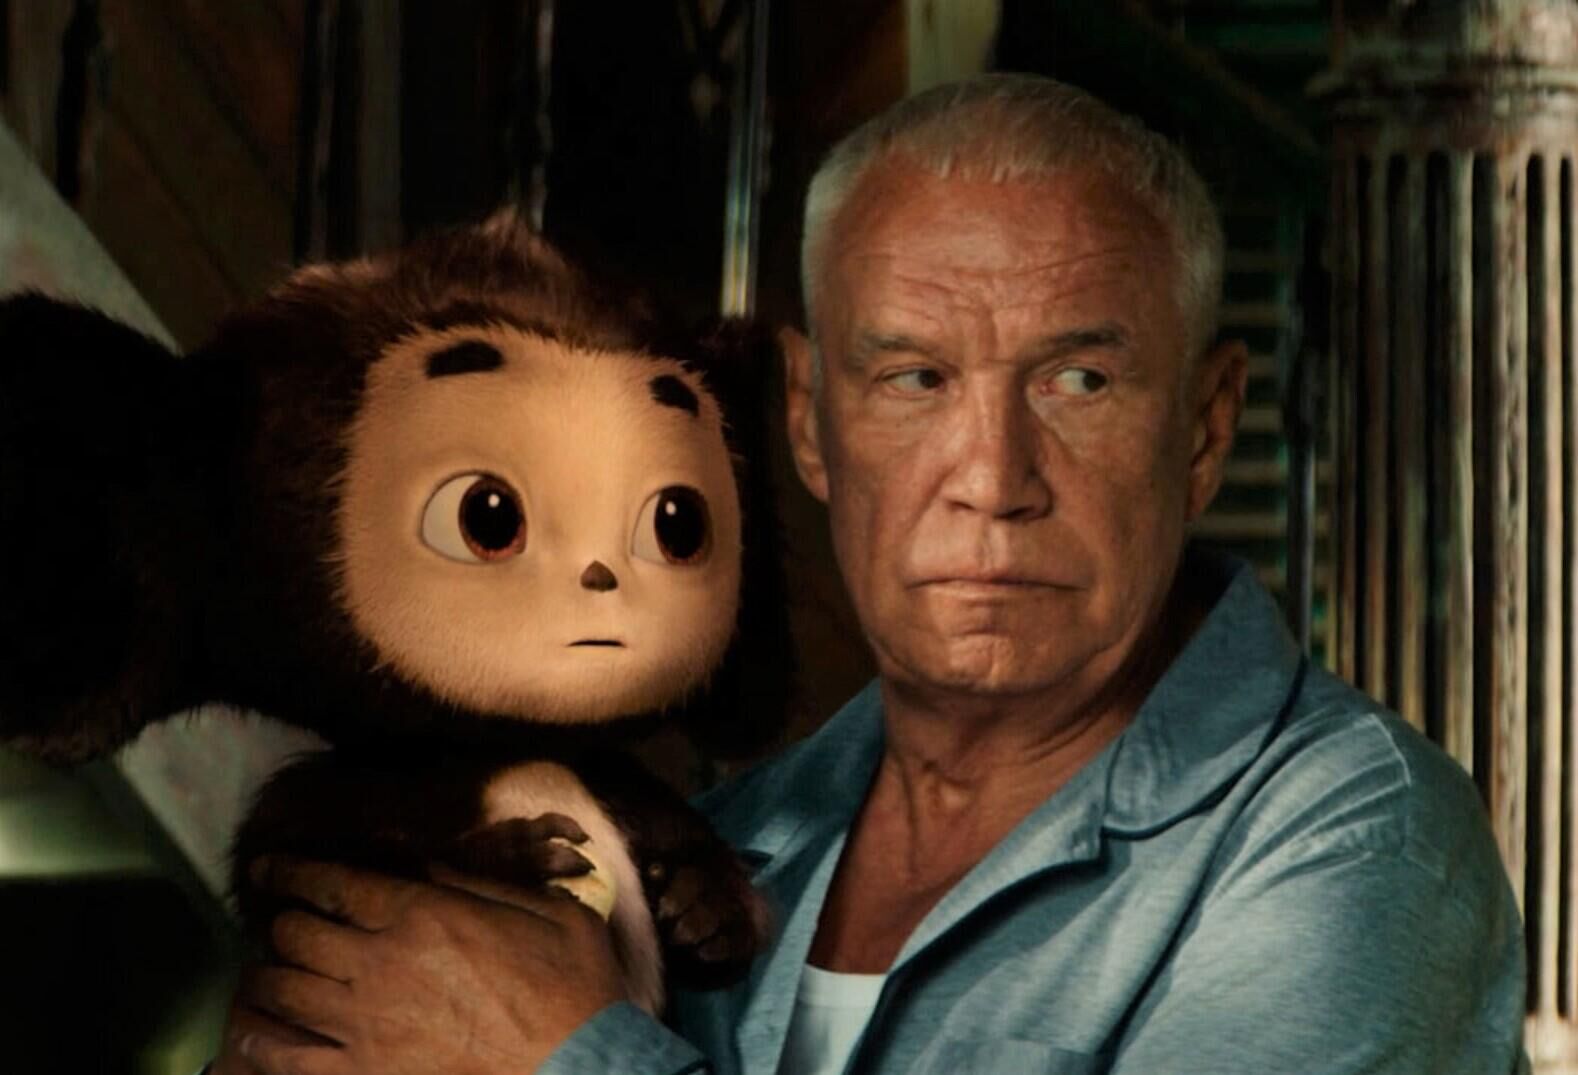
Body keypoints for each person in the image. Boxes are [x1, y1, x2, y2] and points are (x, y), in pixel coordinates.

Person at [219, 74, 1528, 1074]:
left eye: (1079, 379)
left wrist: (564, 1054)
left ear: (1203, 426)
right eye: (913, 378)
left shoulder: (1352, 841)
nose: (992, 476)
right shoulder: (727, 842)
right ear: (806, 420)